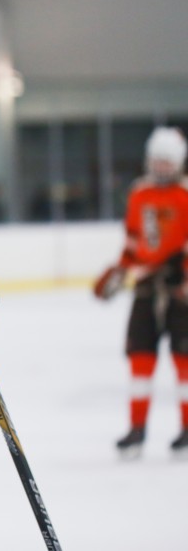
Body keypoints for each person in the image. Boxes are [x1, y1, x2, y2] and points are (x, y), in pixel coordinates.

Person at [94, 126, 188, 458]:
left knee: (184, 362)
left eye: (168, 161)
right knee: (140, 358)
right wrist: (121, 270)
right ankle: (137, 429)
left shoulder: (185, 194)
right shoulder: (140, 193)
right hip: (147, 288)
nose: (162, 167)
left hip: (180, 292)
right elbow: (134, 241)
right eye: (157, 161)